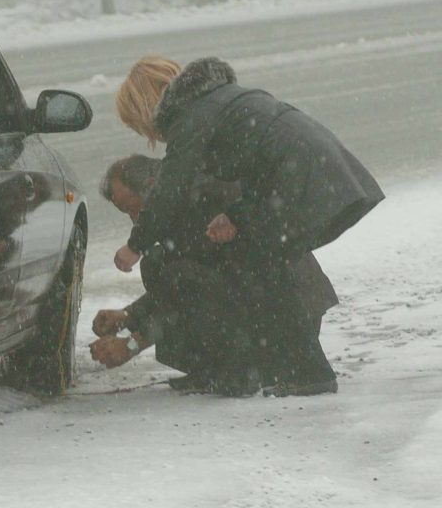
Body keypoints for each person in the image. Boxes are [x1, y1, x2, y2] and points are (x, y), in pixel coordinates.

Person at [111, 56, 384, 396]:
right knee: (263, 267)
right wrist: (236, 217)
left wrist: (135, 245)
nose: (149, 135)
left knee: (265, 271)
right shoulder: (214, 101)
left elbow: (171, 189)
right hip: (313, 167)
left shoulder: (191, 117)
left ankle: (302, 374)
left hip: (300, 176)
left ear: (147, 106)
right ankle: (278, 370)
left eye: (140, 125)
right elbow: (253, 168)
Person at [90, 154, 338, 395]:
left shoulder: (198, 201)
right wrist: (127, 316)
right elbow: (185, 287)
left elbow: (186, 289)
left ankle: (238, 371)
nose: (135, 220)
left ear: (153, 187)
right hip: (266, 301)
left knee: (162, 268)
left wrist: (132, 344)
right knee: (161, 267)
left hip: (286, 311)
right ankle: (218, 369)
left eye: (133, 209)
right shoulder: (182, 195)